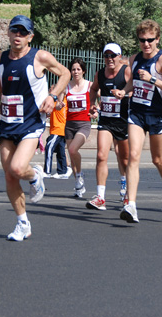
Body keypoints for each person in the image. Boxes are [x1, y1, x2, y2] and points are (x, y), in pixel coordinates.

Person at [0, 15, 70, 242]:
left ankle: (35, 174)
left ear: (30, 36)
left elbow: (65, 73)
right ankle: (22, 223)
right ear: (8, 33)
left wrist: (52, 95)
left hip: (31, 122)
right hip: (7, 122)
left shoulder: (39, 57)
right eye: (14, 31)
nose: (17, 36)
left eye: (22, 32)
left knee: (18, 168)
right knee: (10, 176)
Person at [114, 19, 162, 223]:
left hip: (158, 114)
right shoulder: (134, 59)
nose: (146, 44)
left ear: (157, 39)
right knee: (133, 156)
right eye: (142, 40)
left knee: (157, 159)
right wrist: (123, 92)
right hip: (137, 113)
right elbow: (132, 82)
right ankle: (131, 205)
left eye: (150, 40)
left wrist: (153, 79)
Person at [86, 43, 131, 210]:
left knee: (124, 158)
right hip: (106, 121)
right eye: (107, 56)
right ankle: (100, 197)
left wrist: (124, 93)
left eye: (113, 56)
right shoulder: (100, 74)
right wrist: (92, 104)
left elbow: (134, 87)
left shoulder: (126, 71)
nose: (110, 59)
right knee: (101, 155)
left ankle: (126, 190)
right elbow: (93, 89)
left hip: (123, 121)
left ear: (119, 56)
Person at [64, 57, 94, 197]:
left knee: (72, 149)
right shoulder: (67, 86)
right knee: (72, 155)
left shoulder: (90, 86)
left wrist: (97, 110)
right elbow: (58, 101)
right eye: (73, 69)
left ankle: (80, 175)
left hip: (84, 124)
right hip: (69, 125)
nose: (75, 72)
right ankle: (78, 185)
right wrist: (58, 105)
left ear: (83, 71)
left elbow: (99, 100)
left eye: (78, 69)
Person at [43, 86, 72, 179]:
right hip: (60, 130)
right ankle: (62, 171)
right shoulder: (61, 102)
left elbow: (58, 106)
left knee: (49, 148)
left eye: (51, 89)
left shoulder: (60, 102)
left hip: (58, 130)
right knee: (60, 151)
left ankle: (47, 171)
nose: (49, 91)